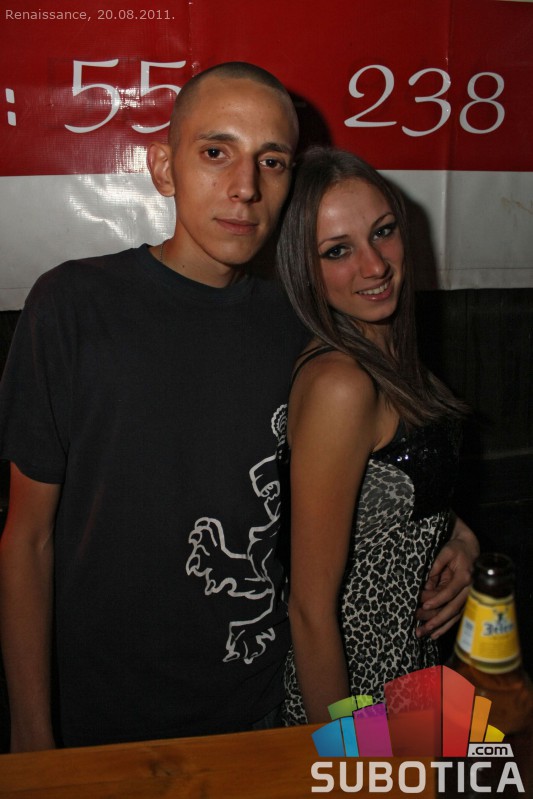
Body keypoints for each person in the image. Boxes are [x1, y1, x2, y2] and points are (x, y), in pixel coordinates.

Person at [0, 65, 474, 751]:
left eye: (271, 161)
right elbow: (26, 540)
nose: (245, 186)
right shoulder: (73, 307)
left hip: (264, 705)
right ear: (164, 167)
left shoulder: (303, 320)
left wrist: (455, 532)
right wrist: (30, 734)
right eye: (216, 152)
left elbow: (365, 466)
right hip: (103, 720)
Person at [276, 146, 478, 725]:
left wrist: (462, 539)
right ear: (304, 269)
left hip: (415, 679)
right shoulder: (341, 384)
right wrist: (347, 757)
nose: (374, 265)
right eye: (337, 251)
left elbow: (386, 496)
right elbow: (309, 609)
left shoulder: (388, 356)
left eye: (383, 232)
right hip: (358, 697)